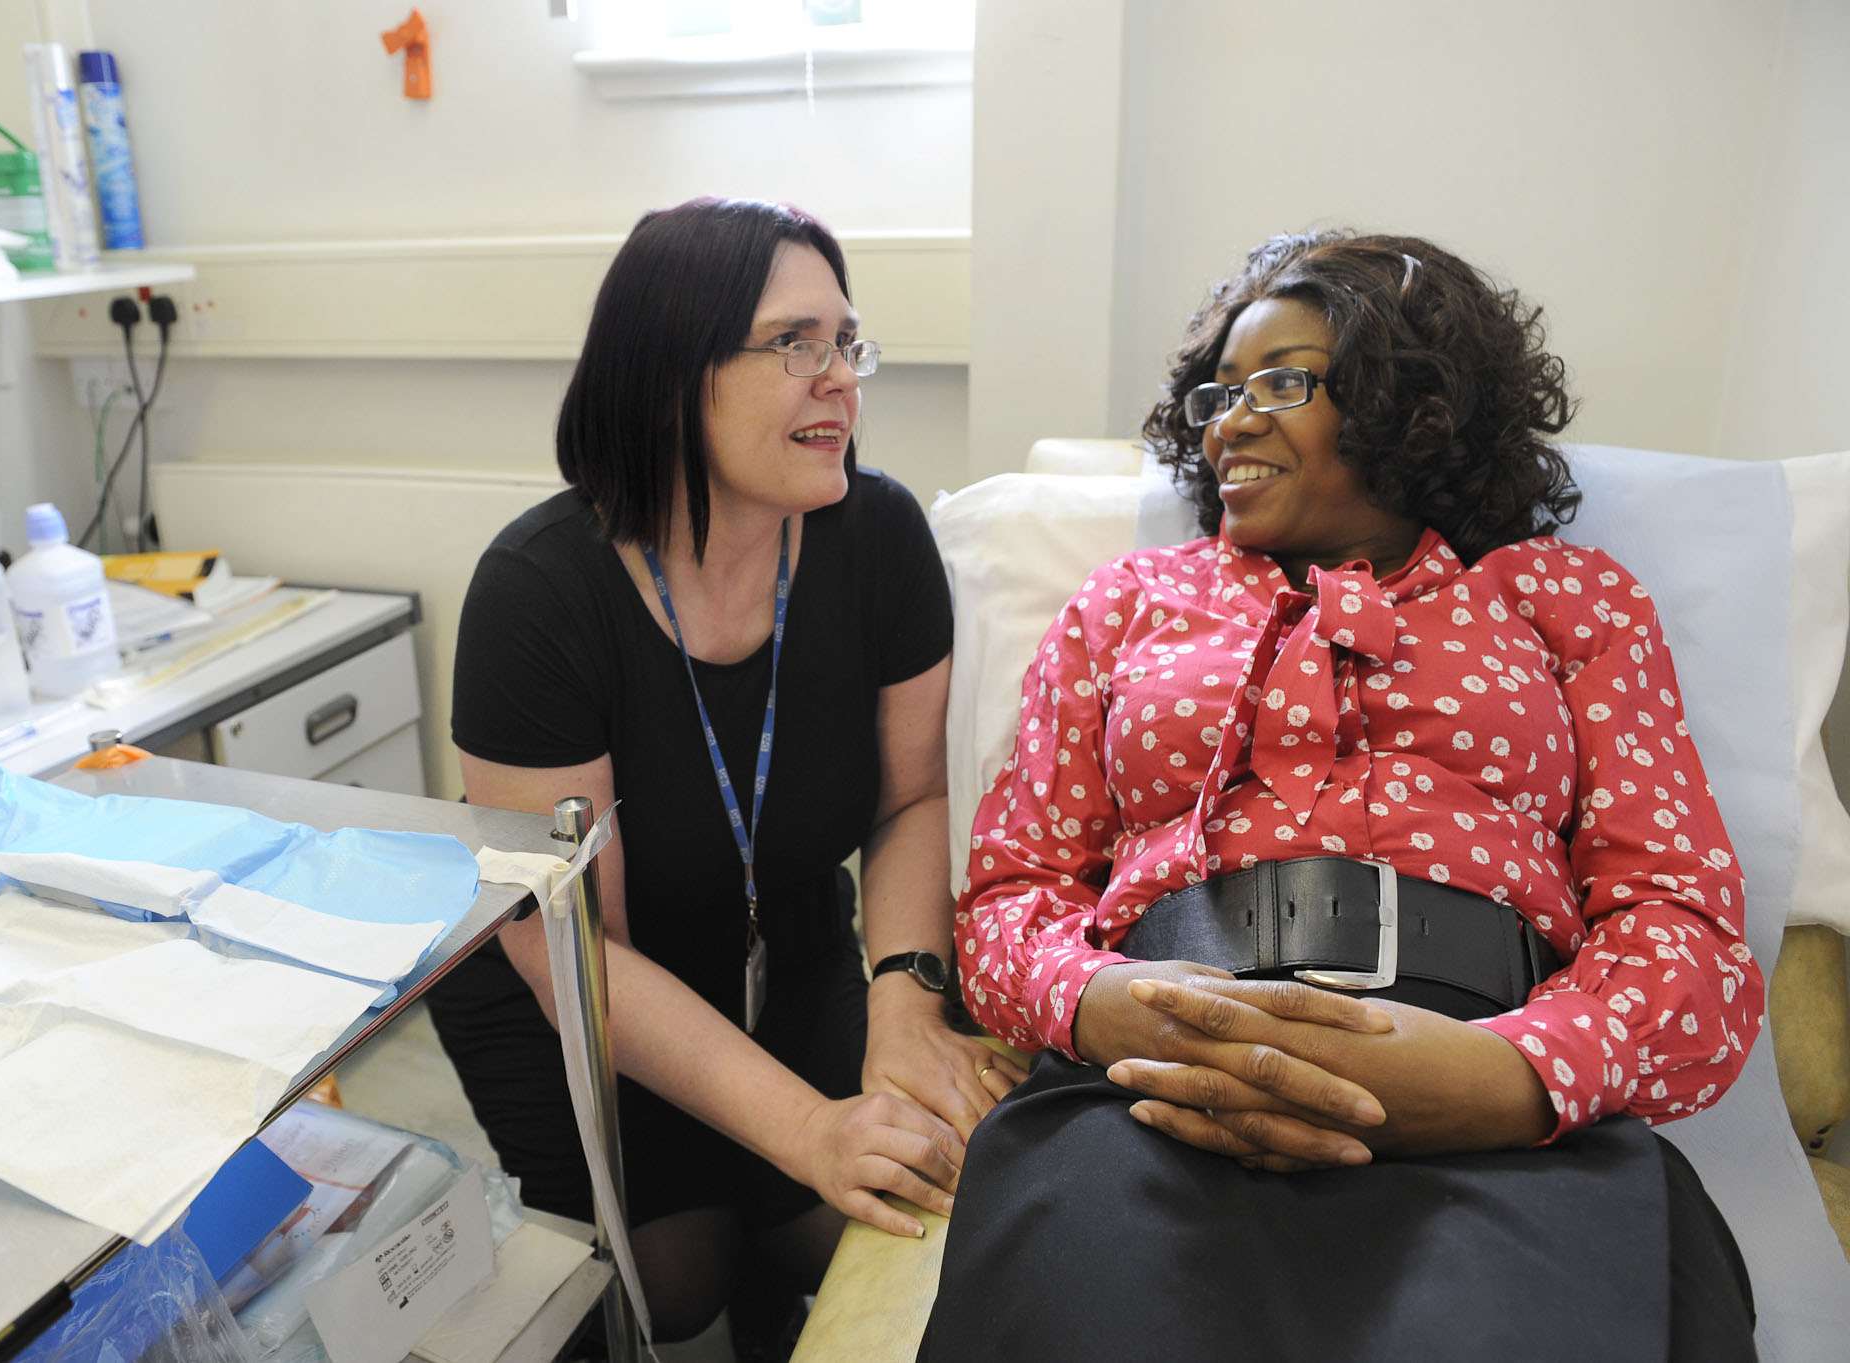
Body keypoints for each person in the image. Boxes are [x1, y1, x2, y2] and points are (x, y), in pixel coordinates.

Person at [919, 231, 1762, 1362]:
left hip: (1494, 1106)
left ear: (1408, 406)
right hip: (1152, 1096)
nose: (1230, 420)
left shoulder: (1567, 602)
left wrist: (1514, 1077)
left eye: (1280, 382)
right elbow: (1010, 889)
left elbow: (1683, 929)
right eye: (1219, 391)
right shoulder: (1127, 603)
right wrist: (1097, 1004)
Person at [427, 197, 1023, 1351]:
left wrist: (901, 999)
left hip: (785, 945)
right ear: (665, 375)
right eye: (793, 343)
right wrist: (803, 1130)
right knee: (672, 1280)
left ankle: (764, 1221)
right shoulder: (536, 595)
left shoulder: (879, 536)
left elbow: (908, 798)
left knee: (899, 1204)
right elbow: (572, 948)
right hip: (574, 982)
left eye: (846, 342)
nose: (839, 377)